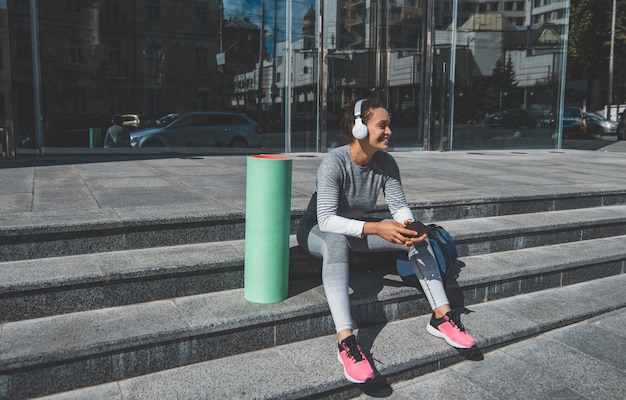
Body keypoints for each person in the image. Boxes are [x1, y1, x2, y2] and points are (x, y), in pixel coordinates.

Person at [296, 98, 475, 384]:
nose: (389, 131)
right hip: (316, 231)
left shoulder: (386, 163)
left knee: (417, 239)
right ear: (359, 128)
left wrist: (406, 225)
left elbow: (399, 207)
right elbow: (327, 220)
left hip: (356, 231)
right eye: (382, 124)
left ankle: (442, 317)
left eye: (389, 124)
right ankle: (346, 341)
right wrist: (378, 228)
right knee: (336, 242)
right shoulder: (334, 162)